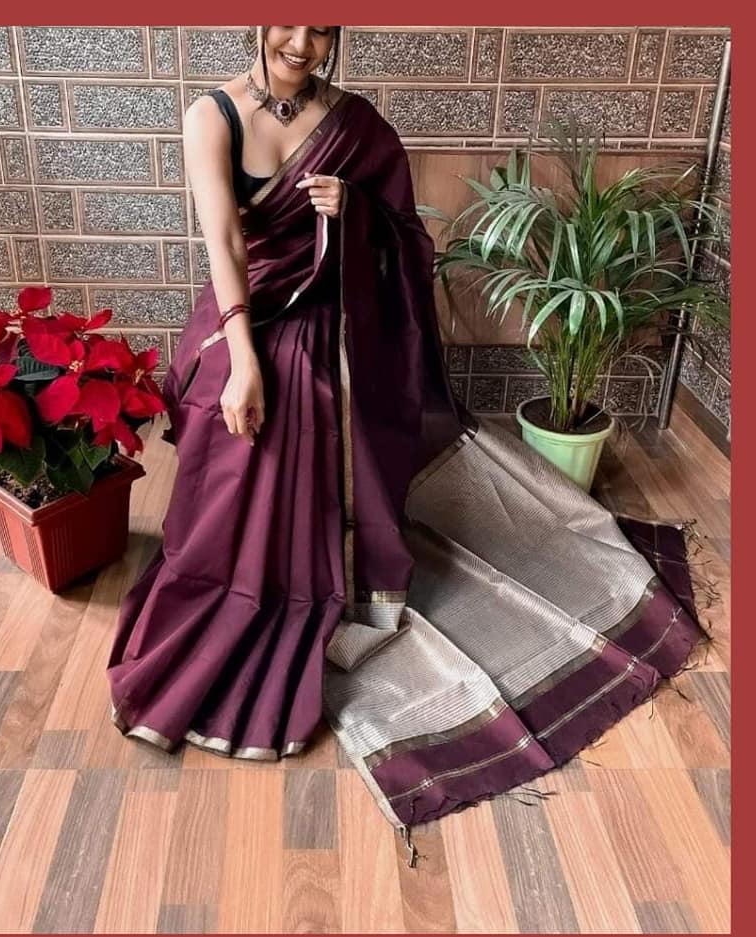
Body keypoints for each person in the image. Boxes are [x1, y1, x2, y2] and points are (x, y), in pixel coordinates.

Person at [107, 26, 711, 866]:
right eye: (290, 18)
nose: (304, 38)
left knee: (324, 395)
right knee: (248, 408)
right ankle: (233, 586)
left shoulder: (355, 123)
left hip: (334, 314)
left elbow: (405, 238)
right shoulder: (211, 115)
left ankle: (320, 571)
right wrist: (245, 360)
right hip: (246, 321)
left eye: (324, 26)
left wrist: (355, 215)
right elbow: (225, 243)